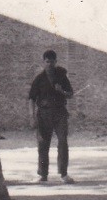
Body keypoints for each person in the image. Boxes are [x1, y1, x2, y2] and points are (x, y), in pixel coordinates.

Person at [28, 49, 75, 184]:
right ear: (43, 62)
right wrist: (32, 116)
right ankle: (43, 174)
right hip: (44, 114)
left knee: (63, 142)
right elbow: (31, 98)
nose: (49, 64)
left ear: (55, 62)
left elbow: (71, 94)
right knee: (43, 144)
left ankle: (64, 174)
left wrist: (62, 91)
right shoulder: (39, 79)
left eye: (52, 62)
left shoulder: (62, 76)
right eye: (47, 62)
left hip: (60, 113)